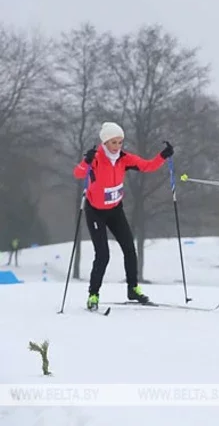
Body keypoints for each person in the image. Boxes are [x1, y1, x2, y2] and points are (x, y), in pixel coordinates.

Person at [73, 122, 174, 311]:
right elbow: (78, 173)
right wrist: (86, 161)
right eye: (113, 142)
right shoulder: (96, 159)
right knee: (103, 255)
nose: (117, 146)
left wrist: (163, 156)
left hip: (115, 210)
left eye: (120, 142)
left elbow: (147, 166)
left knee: (129, 248)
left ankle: (133, 289)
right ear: (105, 142)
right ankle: (93, 295)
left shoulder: (124, 159)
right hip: (95, 212)